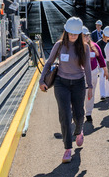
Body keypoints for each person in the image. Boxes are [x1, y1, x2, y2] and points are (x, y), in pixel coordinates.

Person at [39, 17, 92, 163]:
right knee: (65, 115)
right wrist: (41, 80)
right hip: (61, 83)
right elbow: (49, 62)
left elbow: (87, 67)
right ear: (66, 31)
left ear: (80, 33)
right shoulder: (59, 45)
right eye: (71, 33)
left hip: (78, 84)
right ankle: (68, 148)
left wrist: (90, 86)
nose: (73, 36)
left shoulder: (85, 47)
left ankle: (79, 130)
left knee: (79, 114)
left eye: (76, 34)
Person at [82, 26, 108, 123]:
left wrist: (105, 70)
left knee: (90, 93)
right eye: (84, 36)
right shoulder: (76, 48)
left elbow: (101, 59)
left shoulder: (94, 46)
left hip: (92, 73)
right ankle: (79, 112)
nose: (87, 37)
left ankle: (88, 113)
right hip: (80, 74)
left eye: (87, 35)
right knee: (80, 94)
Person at [96, 28, 109, 101]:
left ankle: (108, 93)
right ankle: (102, 94)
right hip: (102, 61)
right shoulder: (99, 43)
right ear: (104, 35)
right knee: (102, 77)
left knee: (108, 77)